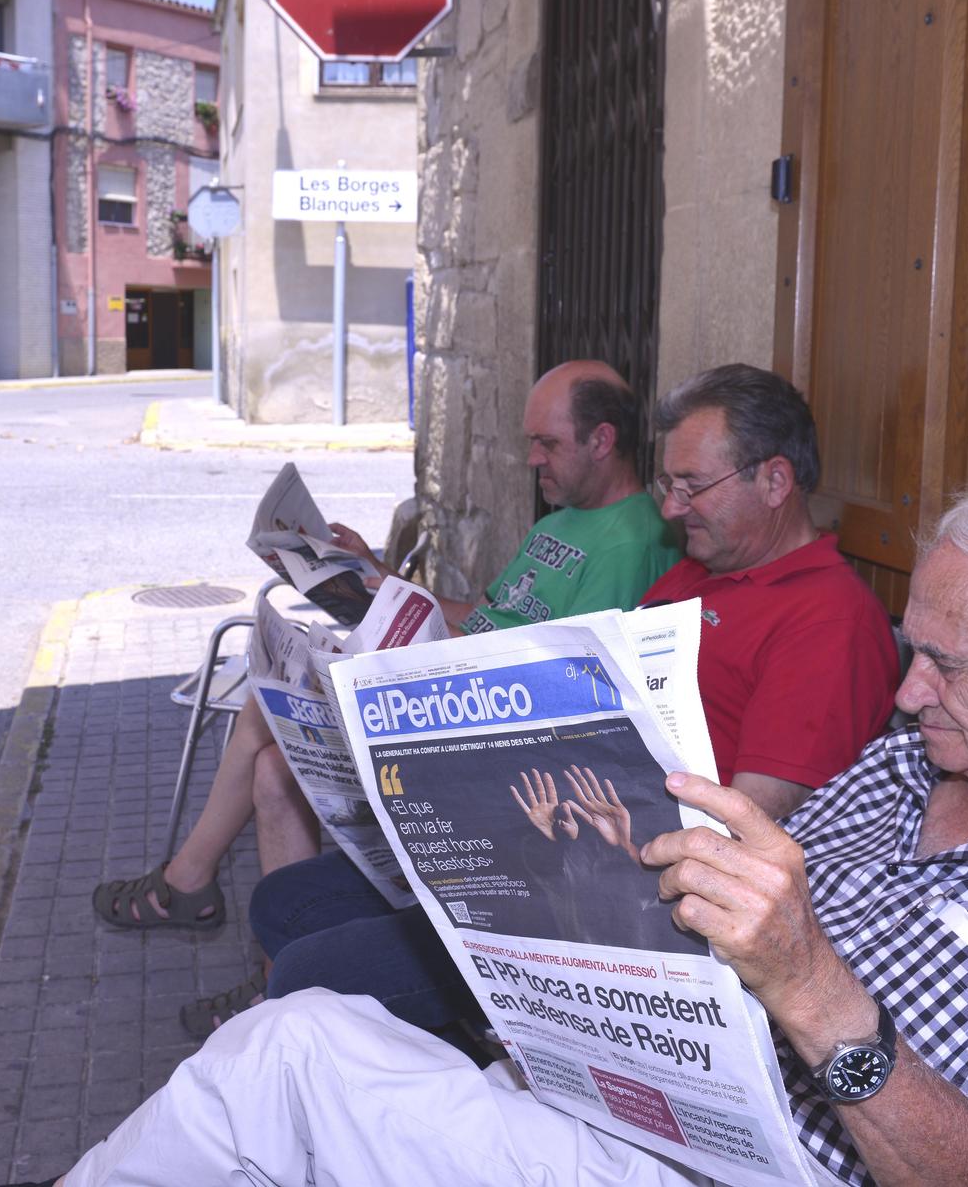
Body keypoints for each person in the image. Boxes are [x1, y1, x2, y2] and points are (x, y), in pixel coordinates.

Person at [26, 472, 968, 1187]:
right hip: (647, 1105)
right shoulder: (912, 766)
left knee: (285, 1064)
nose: (905, 695)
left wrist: (813, 993)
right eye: (913, 655)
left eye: (946, 668)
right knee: (304, 1037)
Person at [247, 364, 900, 1030]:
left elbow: (749, 825)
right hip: (545, 833)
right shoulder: (697, 569)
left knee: (311, 970)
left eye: (693, 486)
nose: (672, 508)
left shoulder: (829, 619)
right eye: (667, 484)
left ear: (775, 480)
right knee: (282, 903)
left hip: (621, 903)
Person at [90, 362, 679, 1012]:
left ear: (602, 440)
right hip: (447, 676)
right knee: (269, 760)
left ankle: (192, 882)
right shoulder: (558, 523)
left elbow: (554, 676)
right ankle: (278, 973)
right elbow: (481, 615)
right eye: (529, 442)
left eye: (548, 443)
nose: (532, 458)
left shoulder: (631, 543)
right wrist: (374, 576)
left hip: (478, 728)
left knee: (268, 709)